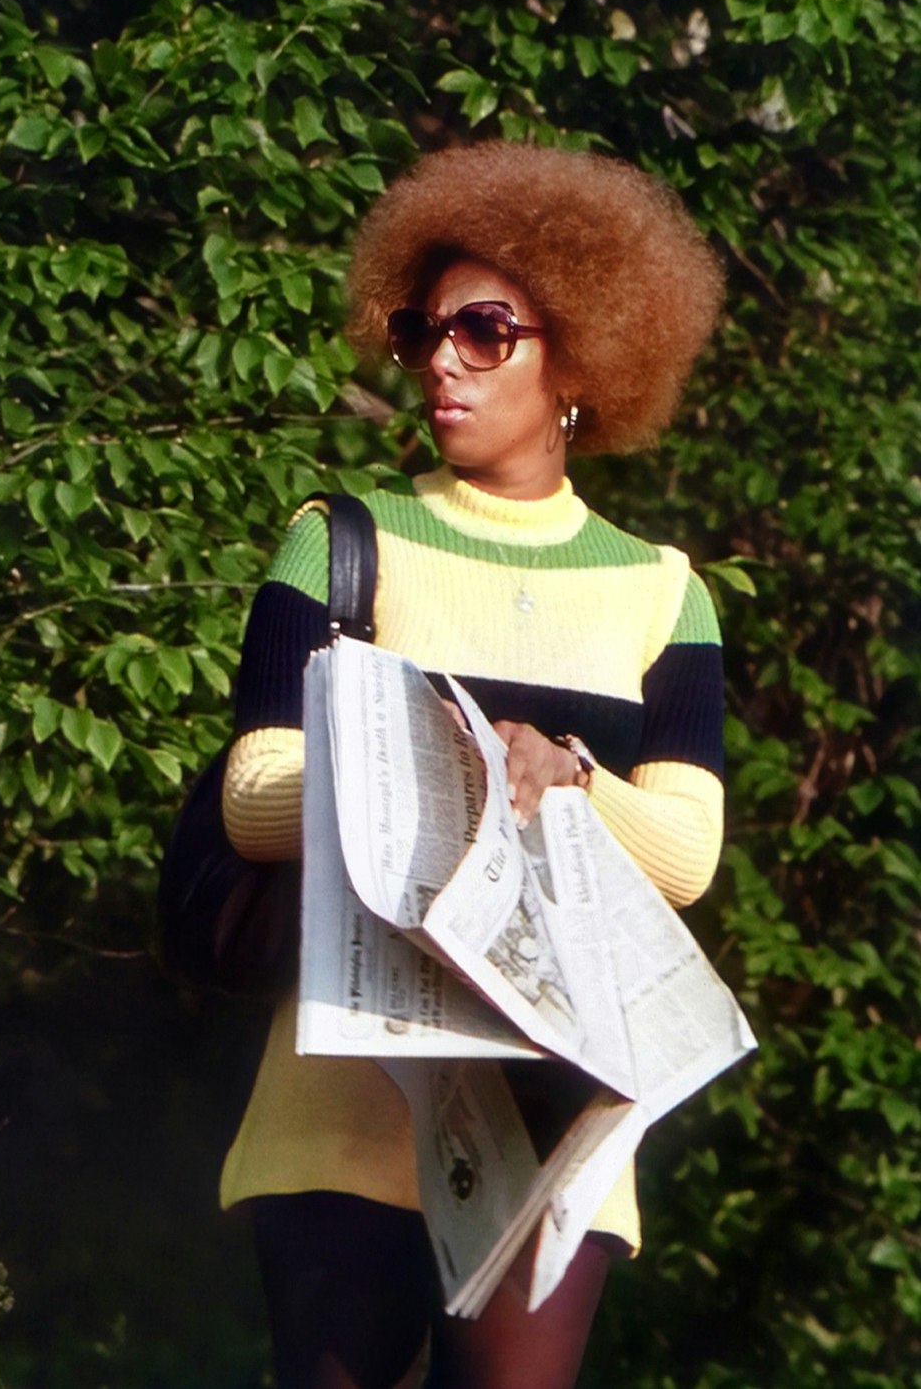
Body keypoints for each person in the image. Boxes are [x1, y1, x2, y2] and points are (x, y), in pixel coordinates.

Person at [219, 141, 726, 1389]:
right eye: (422, 327)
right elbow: (250, 798)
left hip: (552, 1115)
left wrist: (570, 777)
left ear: (582, 354)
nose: (441, 357)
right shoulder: (340, 542)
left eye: (485, 330)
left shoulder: (662, 591)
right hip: (342, 1109)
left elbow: (687, 855)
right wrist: (418, 770)